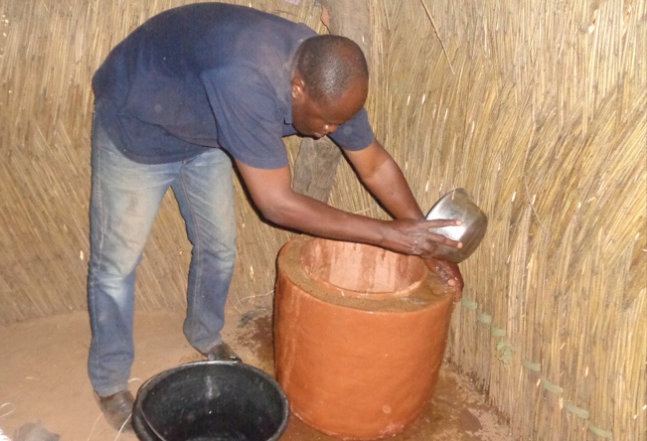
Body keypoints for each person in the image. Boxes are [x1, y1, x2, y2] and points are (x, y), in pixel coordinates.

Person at [86, 2, 464, 432]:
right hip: (138, 126)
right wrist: (388, 236)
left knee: (219, 248)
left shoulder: (333, 84)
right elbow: (276, 203)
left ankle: (205, 336)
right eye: (324, 122)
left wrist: (425, 237)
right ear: (298, 88)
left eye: (339, 122)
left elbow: (374, 165)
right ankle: (110, 380)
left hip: (201, 128)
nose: (329, 132)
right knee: (116, 267)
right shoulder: (244, 77)